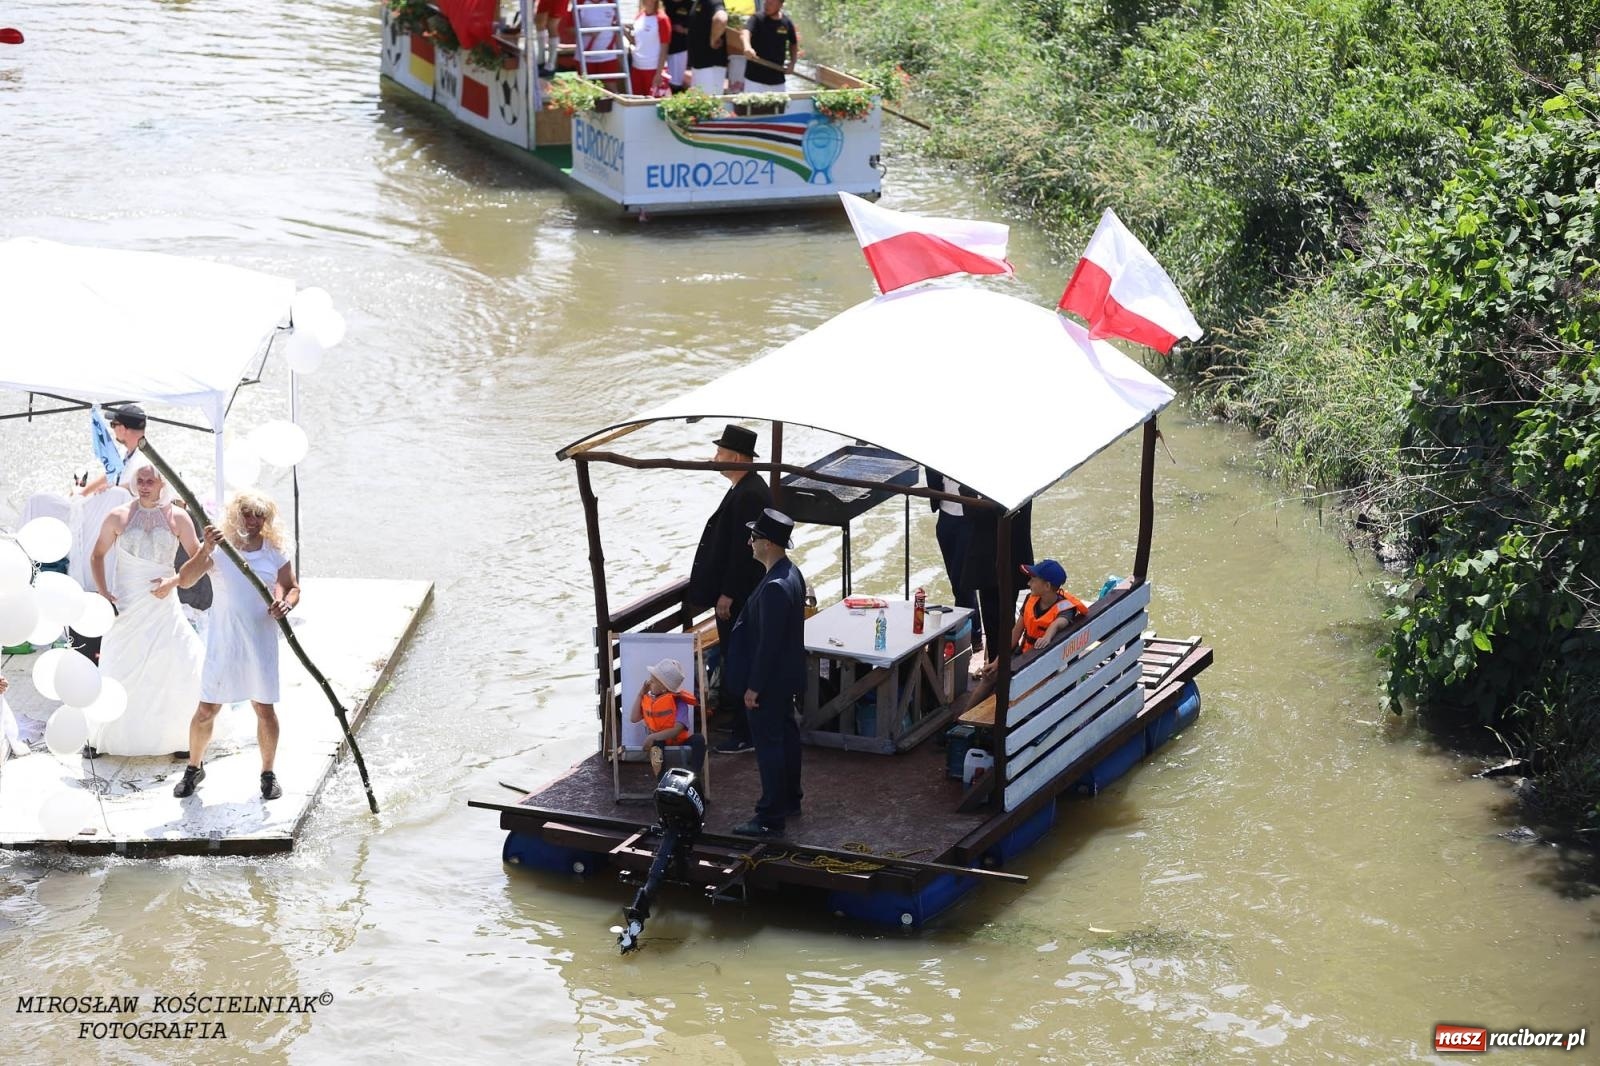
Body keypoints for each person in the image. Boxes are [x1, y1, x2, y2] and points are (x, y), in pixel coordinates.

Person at [172, 490, 300, 801]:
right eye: (247, 514)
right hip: (224, 639)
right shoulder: (220, 549)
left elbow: (291, 587)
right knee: (207, 709)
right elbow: (185, 579)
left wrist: (284, 603)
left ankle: (268, 773)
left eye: (260, 516)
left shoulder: (274, 552)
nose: (253, 521)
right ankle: (194, 767)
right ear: (236, 515)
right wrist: (206, 549)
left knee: (264, 708)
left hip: (260, 638)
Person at [86, 463, 207, 757]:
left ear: (161, 483)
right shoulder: (119, 516)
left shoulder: (178, 518)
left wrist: (175, 581)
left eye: (149, 481)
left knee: (172, 663)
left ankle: (177, 737)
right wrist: (104, 593)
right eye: (139, 480)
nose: (144, 485)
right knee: (119, 662)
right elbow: (97, 555)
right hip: (127, 603)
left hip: (164, 602)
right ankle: (102, 735)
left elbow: (201, 559)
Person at [688, 423, 771, 754]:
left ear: (736, 457)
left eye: (720, 452)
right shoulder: (747, 487)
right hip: (739, 592)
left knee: (738, 657)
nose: (715, 458)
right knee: (736, 655)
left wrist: (729, 593)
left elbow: (743, 551)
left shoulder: (749, 493)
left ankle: (744, 730)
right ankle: (741, 721)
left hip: (739, 595)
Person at [723, 508, 805, 837]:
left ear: (768, 543)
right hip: (786, 678)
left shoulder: (774, 587)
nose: (749, 542)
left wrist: (754, 687)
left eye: (754, 537)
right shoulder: (790, 573)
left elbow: (768, 644)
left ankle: (770, 815)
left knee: (770, 746)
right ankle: (790, 799)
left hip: (769, 683)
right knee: (786, 738)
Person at [924, 466, 982, 656]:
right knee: (957, 581)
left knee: (964, 581)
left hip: (970, 517)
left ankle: (969, 635)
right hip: (946, 515)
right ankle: (973, 633)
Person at [628, 657, 706, 779]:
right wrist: (640, 694)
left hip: (679, 741)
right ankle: (661, 780)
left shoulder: (679, 702)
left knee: (699, 740)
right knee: (656, 744)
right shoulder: (648, 700)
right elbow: (633, 718)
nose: (648, 683)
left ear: (664, 687)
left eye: (653, 681)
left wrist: (652, 736)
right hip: (659, 743)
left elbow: (677, 729)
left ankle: (693, 776)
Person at [741, 0, 798, 88]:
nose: (767, 6)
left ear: (780, 5)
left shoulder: (786, 23)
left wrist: (793, 62)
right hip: (754, 79)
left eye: (771, 3)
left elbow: (793, 43)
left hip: (777, 79)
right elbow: (745, 32)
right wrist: (747, 47)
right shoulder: (757, 18)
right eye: (766, 2)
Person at [626, 0, 671, 96]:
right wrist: (624, 32)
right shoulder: (639, 16)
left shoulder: (662, 19)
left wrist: (659, 73)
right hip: (636, 67)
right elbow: (637, 42)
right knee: (637, 100)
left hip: (654, 69)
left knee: (655, 104)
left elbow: (664, 48)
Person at [686, 0, 728, 96]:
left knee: (708, 104)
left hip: (709, 66)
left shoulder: (713, 1)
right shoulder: (700, 2)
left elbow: (721, 19)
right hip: (701, 64)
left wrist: (713, 39)